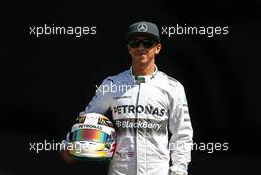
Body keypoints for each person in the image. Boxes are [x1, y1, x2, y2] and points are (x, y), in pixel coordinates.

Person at [61, 21, 193, 175]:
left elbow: (182, 133)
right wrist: (68, 144)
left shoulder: (173, 87)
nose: (141, 48)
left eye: (148, 43)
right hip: (120, 170)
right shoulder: (112, 84)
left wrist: (179, 169)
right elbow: (87, 118)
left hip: (158, 171)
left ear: (158, 48)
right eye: (135, 43)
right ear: (129, 48)